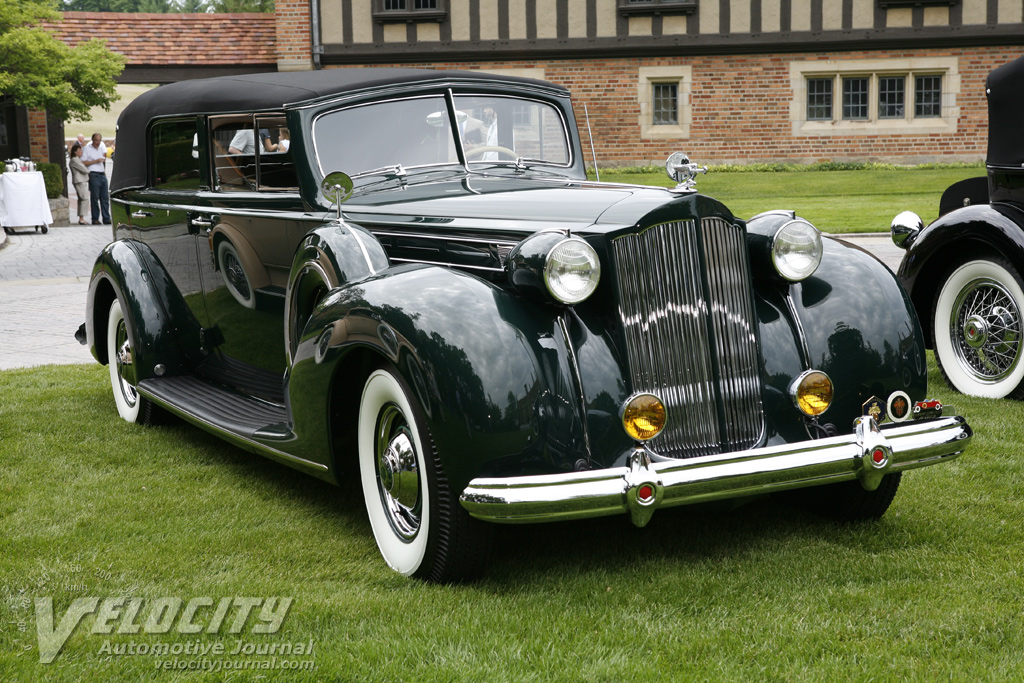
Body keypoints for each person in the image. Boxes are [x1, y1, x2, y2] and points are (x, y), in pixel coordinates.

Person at [81, 132, 111, 225]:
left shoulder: (101, 148)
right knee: (95, 198)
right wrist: (95, 161)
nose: (97, 142)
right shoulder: (87, 149)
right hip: (93, 174)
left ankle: (106, 218)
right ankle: (95, 218)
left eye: (99, 140)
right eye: (96, 140)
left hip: (102, 174)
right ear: (92, 140)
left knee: (105, 197)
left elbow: (103, 159)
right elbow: (84, 162)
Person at [68, 143, 90, 225]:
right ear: (75, 152)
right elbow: (84, 169)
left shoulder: (77, 159)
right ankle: (81, 218)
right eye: (79, 150)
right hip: (79, 181)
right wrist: (89, 170)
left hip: (81, 181)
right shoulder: (74, 160)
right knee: (84, 199)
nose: (81, 152)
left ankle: (81, 217)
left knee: (82, 199)